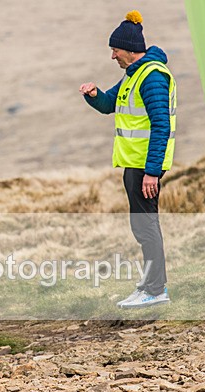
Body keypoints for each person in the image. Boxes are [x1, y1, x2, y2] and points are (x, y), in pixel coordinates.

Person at [79, 10, 176, 309]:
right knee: (142, 226)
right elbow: (110, 103)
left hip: (144, 168)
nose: (112, 56)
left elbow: (161, 125)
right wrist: (94, 95)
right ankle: (150, 284)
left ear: (130, 50)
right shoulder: (133, 75)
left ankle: (156, 290)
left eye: (115, 50)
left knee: (146, 227)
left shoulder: (152, 77)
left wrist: (151, 172)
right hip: (134, 165)